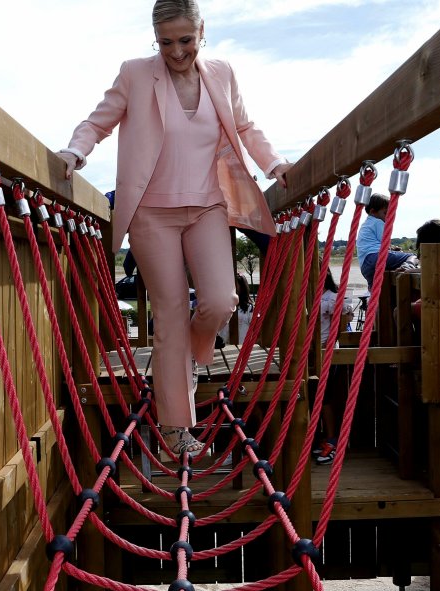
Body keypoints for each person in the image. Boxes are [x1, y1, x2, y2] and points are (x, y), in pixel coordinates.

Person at [56, 0, 292, 460]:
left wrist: (276, 163)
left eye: (185, 40)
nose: (176, 51)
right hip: (150, 212)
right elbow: (97, 121)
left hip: (207, 207)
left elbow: (244, 126)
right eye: (165, 42)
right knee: (167, 316)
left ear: (203, 31)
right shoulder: (136, 73)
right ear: (154, 39)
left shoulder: (222, 73)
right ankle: (177, 429)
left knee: (222, 300)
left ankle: (191, 350)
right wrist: (74, 152)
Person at [313, 268, 354, 465]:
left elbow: (345, 314)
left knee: (325, 397)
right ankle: (323, 438)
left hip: (325, 353)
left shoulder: (330, 298)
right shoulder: (310, 297)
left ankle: (332, 440)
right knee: (315, 397)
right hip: (310, 354)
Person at [356, 193, 418, 289]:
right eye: (385, 213)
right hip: (377, 257)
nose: (388, 217)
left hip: (365, 265)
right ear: (373, 211)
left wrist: (392, 249)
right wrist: (392, 249)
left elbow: (378, 243)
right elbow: (385, 243)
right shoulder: (378, 221)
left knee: (376, 291)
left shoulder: (366, 224)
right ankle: (408, 266)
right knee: (412, 256)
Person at [217, 274, 253, 346]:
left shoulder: (249, 308)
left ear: (242, 288)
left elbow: (254, 329)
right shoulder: (223, 306)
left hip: (242, 345)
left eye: (234, 286)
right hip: (225, 346)